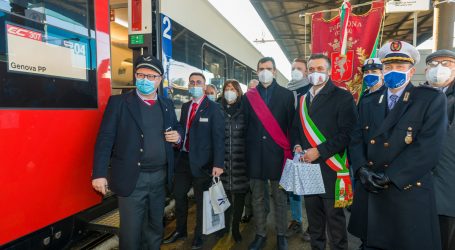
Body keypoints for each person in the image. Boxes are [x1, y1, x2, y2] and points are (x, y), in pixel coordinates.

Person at [348, 40, 447, 250]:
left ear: (411, 72)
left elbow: (428, 148)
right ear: (382, 71)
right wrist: (360, 169)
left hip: (406, 192)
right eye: (388, 67)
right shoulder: (369, 101)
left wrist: (391, 176)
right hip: (371, 189)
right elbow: (356, 138)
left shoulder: (429, 100)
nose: (393, 72)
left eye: (400, 67)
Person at [92, 54, 183, 250]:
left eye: (151, 77)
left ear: (159, 80)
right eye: (141, 75)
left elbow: (177, 128)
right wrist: (99, 174)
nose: (145, 80)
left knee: (155, 227)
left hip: (159, 178)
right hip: (132, 178)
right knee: (131, 232)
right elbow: (105, 138)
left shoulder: (166, 105)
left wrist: (178, 137)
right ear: (135, 76)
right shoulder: (119, 103)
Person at [291, 54, 357, 250]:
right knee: (315, 223)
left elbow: (348, 133)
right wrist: (296, 145)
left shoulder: (343, 97)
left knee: (335, 224)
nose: (315, 73)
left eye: (320, 68)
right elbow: (296, 128)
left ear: (329, 71)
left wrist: (319, 151)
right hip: (308, 169)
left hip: (331, 168)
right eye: (311, 69)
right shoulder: (303, 99)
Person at [163, 72, 225, 250]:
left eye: (198, 82)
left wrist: (218, 164)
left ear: (205, 86)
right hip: (183, 159)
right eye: (192, 83)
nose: (195, 85)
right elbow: (183, 129)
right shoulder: (185, 106)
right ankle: (180, 230)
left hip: (203, 163)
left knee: (201, 201)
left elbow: (219, 138)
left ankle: (199, 235)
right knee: (179, 195)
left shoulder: (213, 108)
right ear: (189, 86)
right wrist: (178, 139)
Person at [244, 57, 295, 250]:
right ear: (257, 72)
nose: (264, 72)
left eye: (268, 68)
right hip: (255, 155)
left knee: (279, 198)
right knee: (257, 197)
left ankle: (281, 234)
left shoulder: (286, 95)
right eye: (261, 69)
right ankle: (260, 234)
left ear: (274, 72)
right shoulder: (249, 96)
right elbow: (245, 126)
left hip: (278, 155)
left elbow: (291, 126)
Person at [347, 58, 385, 248]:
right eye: (367, 73)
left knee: (382, 217)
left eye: (375, 72)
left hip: (382, 168)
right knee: (363, 215)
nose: (370, 76)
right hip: (364, 166)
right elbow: (356, 134)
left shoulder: (390, 96)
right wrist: (360, 165)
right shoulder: (365, 97)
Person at [425, 49, 455, 250]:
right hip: (422, 185)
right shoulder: (418, 95)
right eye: (434, 64)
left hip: (448, 185)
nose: (439, 69)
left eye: (447, 63)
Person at [218, 79, 249, 243]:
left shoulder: (245, 110)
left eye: (233, 88)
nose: (229, 91)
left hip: (241, 161)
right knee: (224, 196)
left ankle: (235, 228)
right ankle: (224, 226)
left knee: (239, 198)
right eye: (227, 88)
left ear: (238, 92)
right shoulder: (218, 109)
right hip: (222, 162)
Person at [286, 58, 312, 241]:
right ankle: (296, 220)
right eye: (293, 68)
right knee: (294, 189)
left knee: (310, 188)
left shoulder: (312, 91)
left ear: (306, 72)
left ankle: (313, 224)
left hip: (310, 147)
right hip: (291, 146)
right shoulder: (287, 92)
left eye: (299, 69)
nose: (296, 71)